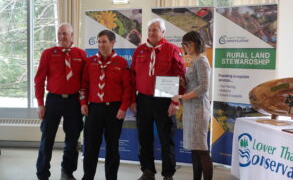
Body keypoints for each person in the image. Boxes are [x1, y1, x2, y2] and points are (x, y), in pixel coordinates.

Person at [130, 18, 186, 180]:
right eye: (149, 30)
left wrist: (176, 101)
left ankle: (168, 174)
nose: (152, 33)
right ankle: (148, 170)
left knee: (166, 139)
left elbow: (181, 77)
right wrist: (133, 100)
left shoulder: (172, 50)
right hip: (144, 100)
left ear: (163, 32)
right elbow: (132, 77)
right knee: (144, 137)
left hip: (165, 100)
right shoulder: (140, 50)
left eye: (155, 30)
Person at [35, 23, 86, 180]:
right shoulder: (48, 54)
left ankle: (67, 171)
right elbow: (39, 80)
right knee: (47, 139)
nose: (62, 36)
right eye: (59, 33)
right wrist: (40, 104)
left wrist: (84, 103)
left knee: (72, 139)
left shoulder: (80, 54)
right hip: (53, 101)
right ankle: (42, 173)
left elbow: (85, 82)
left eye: (65, 33)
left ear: (72, 35)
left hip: (73, 101)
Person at [80, 30, 131, 180]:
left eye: (104, 41)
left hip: (114, 110)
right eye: (99, 41)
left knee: (112, 147)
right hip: (94, 109)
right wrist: (83, 103)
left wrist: (123, 108)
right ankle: (88, 176)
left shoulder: (121, 62)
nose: (101, 45)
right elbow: (84, 86)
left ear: (112, 42)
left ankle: (111, 177)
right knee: (90, 146)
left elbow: (127, 88)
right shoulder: (90, 62)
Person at [172, 31, 213, 180]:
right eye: (184, 44)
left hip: (199, 110)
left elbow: (203, 88)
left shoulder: (202, 60)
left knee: (201, 150)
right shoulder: (194, 60)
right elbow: (194, 84)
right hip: (191, 109)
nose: (186, 47)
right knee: (195, 150)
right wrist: (185, 83)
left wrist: (182, 96)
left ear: (197, 43)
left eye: (189, 43)